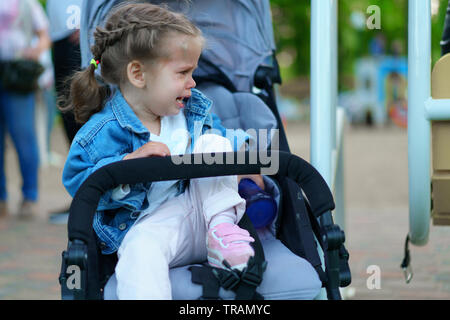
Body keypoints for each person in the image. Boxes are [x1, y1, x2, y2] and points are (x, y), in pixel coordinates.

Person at [61, 3, 265, 299]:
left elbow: (224, 135)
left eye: (193, 72)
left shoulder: (193, 111)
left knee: (215, 144)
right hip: (155, 226)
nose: (193, 83)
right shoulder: (103, 131)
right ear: (138, 74)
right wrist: (125, 165)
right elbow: (78, 182)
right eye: (183, 72)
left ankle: (223, 234)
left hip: (212, 215)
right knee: (139, 249)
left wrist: (246, 155)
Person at [0, 0, 51, 219]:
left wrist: (35, 50)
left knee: (23, 137)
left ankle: (29, 196)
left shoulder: (27, 4)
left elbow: (44, 36)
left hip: (18, 73)